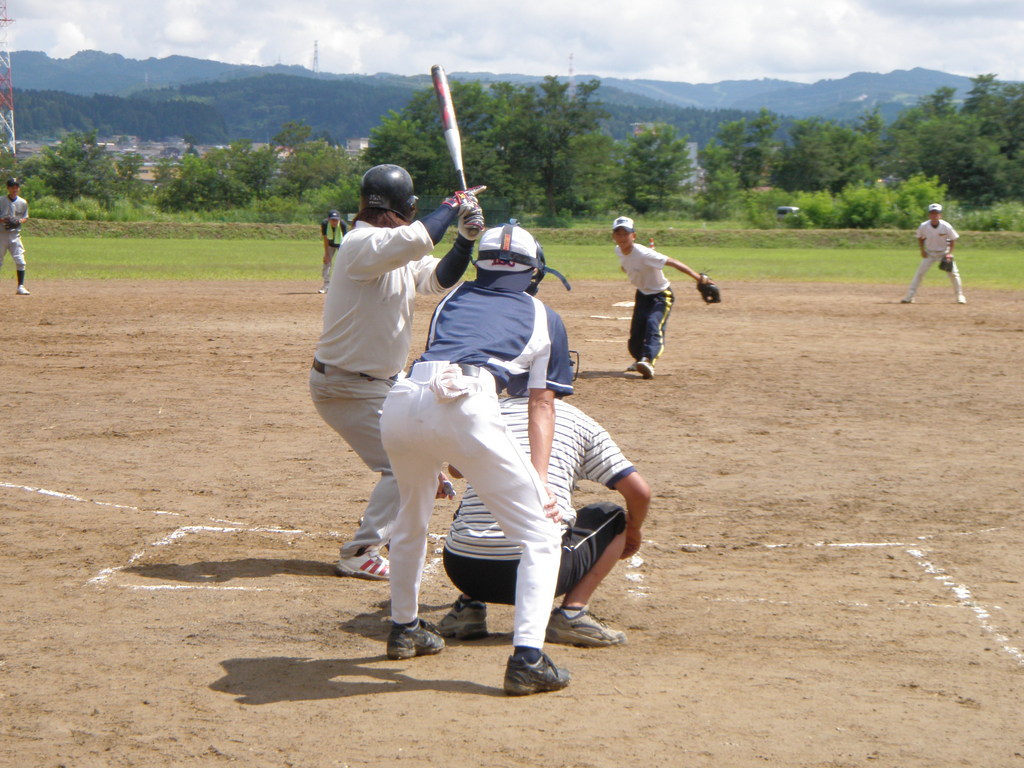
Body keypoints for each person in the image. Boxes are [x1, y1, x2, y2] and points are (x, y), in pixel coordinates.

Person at [379, 222, 576, 696]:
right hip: (466, 401)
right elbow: (542, 403)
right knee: (544, 533)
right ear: (534, 269)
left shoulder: (451, 299)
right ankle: (528, 658)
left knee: (411, 518)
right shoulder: (542, 313)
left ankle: (405, 628)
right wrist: (541, 481)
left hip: (403, 400)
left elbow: (446, 362)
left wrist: (453, 446)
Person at [309, 164, 483, 581]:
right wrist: (453, 205)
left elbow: (438, 278)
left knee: (419, 459)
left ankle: (415, 480)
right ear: (409, 207)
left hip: (379, 385)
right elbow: (420, 236)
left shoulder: (393, 250)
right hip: (347, 386)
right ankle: (360, 552)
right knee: (403, 466)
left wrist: (464, 239)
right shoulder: (360, 244)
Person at [437, 396, 651, 648]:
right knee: (613, 516)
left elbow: (455, 470)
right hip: (540, 573)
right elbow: (639, 492)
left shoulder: (486, 414)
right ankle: (572, 613)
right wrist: (633, 530)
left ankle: (468, 607)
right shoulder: (578, 420)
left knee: (481, 498)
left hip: (463, 570)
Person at [612, 216, 712, 379]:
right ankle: (639, 360)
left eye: (626, 233)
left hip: (661, 295)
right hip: (642, 294)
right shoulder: (618, 250)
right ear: (613, 236)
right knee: (635, 335)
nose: (622, 237)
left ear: (634, 236)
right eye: (618, 233)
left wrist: (698, 277)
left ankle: (648, 361)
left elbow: (672, 262)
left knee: (653, 324)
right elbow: (626, 264)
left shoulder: (644, 253)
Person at [901, 203, 966, 305]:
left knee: (954, 274)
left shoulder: (946, 226)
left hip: (943, 253)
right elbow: (920, 237)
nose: (934, 215)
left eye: (936, 213)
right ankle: (910, 296)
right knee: (919, 274)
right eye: (932, 213)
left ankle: (960, 296)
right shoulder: (924, 226)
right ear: (929, 215)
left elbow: (953, 239)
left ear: (940, 215)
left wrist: (949, 253)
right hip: (929, 253)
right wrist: (922, 250)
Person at [1, 178, 30, 295]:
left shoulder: (23, 202)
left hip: (15, 235)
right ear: (8, 188)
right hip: (1, 234)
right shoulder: (1, 200)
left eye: (16, 186)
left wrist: (19, 221)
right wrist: (4, 219)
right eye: (12, 186)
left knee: (20, 260)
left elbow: (25, 217)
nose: (15, 189)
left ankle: (20, 286)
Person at [318, 209, 348, 294]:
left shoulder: (342, 224)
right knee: (326, 263)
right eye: (332, 220)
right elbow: (325, 238)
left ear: (339, 219)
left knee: (344, 264)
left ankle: (343, 286)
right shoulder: (325, 224)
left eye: (336, 220)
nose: (334, 222)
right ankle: (326, 286)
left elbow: (346, 240)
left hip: (341, 244)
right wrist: (327, 254)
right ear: (328, 219)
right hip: (330, 245)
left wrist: (344, 254)